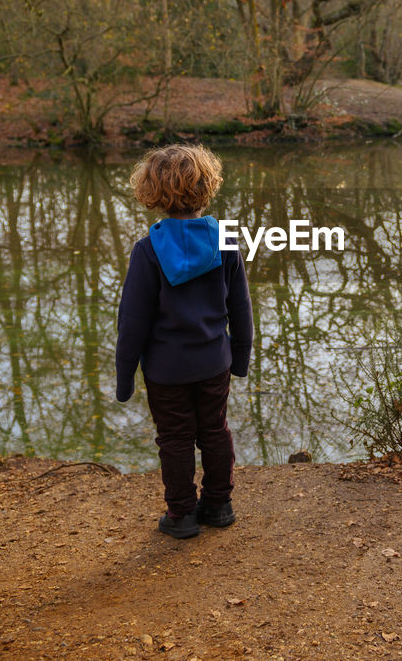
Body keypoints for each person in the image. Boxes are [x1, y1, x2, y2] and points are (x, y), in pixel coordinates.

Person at [115, 144, 253, 539]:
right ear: (206, 186)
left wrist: (124, 378)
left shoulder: (148, 251)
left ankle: (182, 515)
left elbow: (133, 322)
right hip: (214, 362)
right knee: (215, 429)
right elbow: (241, 310)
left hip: (167, 369)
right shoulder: (225, 241)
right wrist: (240, 360)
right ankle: (219, 504)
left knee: (175, 437)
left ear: (152, 191)